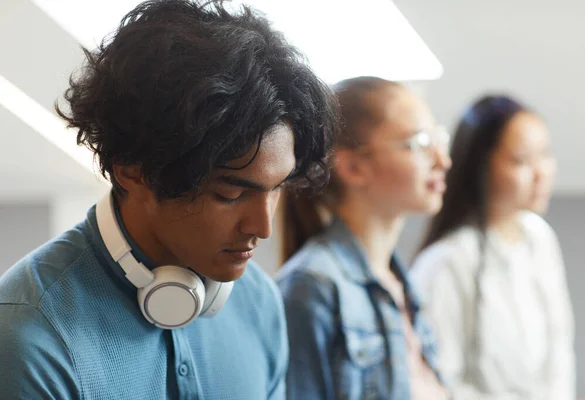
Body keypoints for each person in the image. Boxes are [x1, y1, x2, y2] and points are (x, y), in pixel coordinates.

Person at [0, 0, 338, 398]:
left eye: (277, 187)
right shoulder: (33, 338)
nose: (262, 228)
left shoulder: (259, 304)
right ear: (132, 170)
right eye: (229, 193)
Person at [277, 76, 452, 399]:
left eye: (438, 141)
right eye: (420, 144)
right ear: (355, 167)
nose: (443, 161)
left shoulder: (402, 286)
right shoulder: (312, 286)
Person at [411, 95, 576, 399]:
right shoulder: (446, 262)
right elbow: (440, 381)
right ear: (482, 166)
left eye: (545, 155)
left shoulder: (540, 238)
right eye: (521, 161)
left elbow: (560, 349)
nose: (541, 173)